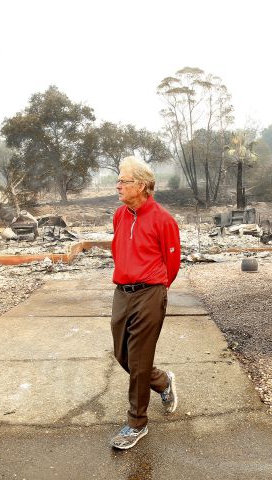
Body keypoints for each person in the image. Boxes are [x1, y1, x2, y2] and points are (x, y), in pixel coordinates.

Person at [109, 156, 181, 450]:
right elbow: (118, 251)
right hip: (122, 292)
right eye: (119, 180)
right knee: (122, 355)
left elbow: (172, 262)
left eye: (123, 181)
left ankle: (136, 423)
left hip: (150, 293)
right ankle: (162, 382)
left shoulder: (163, 219)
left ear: (141, 185)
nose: (118, 186)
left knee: (138, 360)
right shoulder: (119, 215)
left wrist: (156, 289)